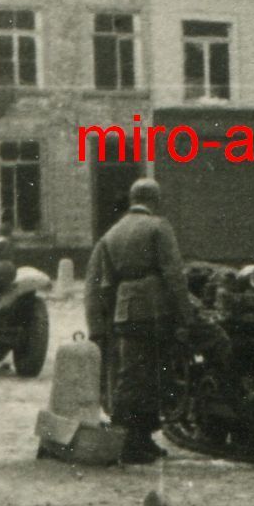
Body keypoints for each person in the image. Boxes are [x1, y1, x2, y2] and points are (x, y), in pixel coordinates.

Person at [84, 178, 196, 465]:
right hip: (155, 309)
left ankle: (138, 440)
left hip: (125, 311)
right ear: (155, 200)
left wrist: (108, 320)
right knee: (151, 377)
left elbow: (105, 285)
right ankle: (128, 442)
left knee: (133, 374)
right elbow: (174, 275)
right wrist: (186, 314)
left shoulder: (112, 233)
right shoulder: (158, 227)